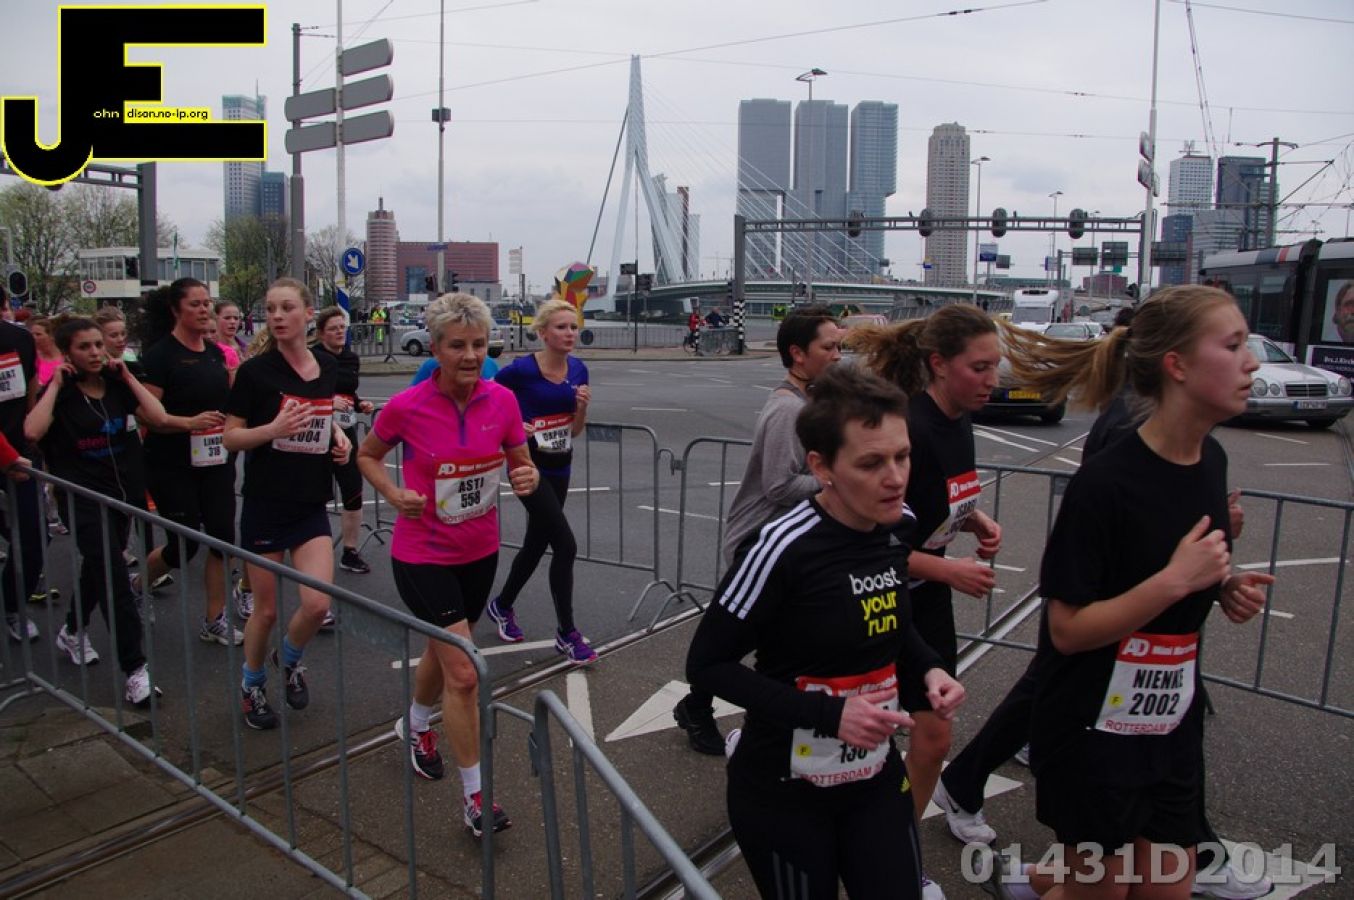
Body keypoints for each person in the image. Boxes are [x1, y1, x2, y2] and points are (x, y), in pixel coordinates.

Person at [988, 285, 1272, 898]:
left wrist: (1224, 583)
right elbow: (1066, 630)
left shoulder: (1213, 461)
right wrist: (1177, 581)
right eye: (1232, 346)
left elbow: (1174, 562)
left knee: (1168, 888)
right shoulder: (1105, 483)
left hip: (1169, 724)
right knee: (1102, 891)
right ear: (1177, 366)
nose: (1251, 362)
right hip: (1091, 731)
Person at [686, 364, 965, 899]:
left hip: (874, 778)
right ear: (822, 467)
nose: (895, 477)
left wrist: (930, 668)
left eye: (902, 456)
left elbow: (891, 619)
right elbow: (706, 665)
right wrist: (830, 714)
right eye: (871, 462)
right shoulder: (781, 547)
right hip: (785, 793)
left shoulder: (897, 524)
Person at [357, 292, 537, 838]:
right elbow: (367, 455)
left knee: (445, 649)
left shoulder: (503, 401)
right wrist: (393, 493)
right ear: (435, 349)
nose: (470, 355)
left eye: (478, 344)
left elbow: (521, 461)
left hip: (479, 552)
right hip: (422, 554)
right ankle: (477, 798)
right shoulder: (407, 405)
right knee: (463, 672)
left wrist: (526, 475)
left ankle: (414, 725)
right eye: (457, 345)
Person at [848, 304, 1004, 888]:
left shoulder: (960, 420)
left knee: (934, 734)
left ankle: (897, 861)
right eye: (979, 368)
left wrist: (972, 519)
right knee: (859, 734)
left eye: (994, 367)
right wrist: (949, 570)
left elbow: (934, 504)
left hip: (928, 597)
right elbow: (872, 544)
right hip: (881, 597)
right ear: (939, 364)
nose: (992, 380)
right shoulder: (911, 428)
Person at [673, 305, 842, 754]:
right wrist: (837, 480)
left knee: (755, 636)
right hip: (758, 541)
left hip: (782, 542)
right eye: (828, 347)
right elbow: (779, 486)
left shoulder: (809, 401)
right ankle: (705, 710)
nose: (837, 355)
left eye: (839, 346)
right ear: (798, 354)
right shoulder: (788, 410)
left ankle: (716, 710)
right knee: (736, 639)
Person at [223, 277, 351, 730]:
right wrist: (272, 431)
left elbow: (321, 414)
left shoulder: (326, 365)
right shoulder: (256, 373)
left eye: (287, 308)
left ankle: (290, 660)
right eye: (271, 308)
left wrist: (337, 437)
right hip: (266, 503)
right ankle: (252, 684)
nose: (277, 316)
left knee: (317, 605)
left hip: (310, 501)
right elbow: (230, 437)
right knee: (267, 610)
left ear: (308, 314)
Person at [24, 317, 169, 705]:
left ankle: (72, 630)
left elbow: (157, 416)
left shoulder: (117, 386)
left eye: (98, 345)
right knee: (115, 577)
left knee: (98, 567)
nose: (94, 353)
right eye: (84, 347)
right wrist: (56, 385)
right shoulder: (62, 393)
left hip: (120, 496)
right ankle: (135, 670)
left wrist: (129, 378)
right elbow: (32, 432)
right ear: (67, 353)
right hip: (82, 500)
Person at [485, 299, 596, 664]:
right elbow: (487, 398)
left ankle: (502, 605)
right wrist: (514, 426)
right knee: (565, 545)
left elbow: (574, 431)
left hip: (561, 466)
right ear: (544, 332)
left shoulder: (579, 370)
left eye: (574, 327)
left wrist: (582, 407)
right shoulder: (521, 370)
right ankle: (567, 633)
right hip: (527, 467)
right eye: (562, 327)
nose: (570, 333)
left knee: (536, 543)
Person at [136, 278, 243, 647]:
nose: (203, 309)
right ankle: (138, 584)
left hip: (215, 461)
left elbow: (230, 403)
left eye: (206, 303)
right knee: (183, 547)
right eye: (195, 304)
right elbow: (146, 415)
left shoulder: (214, 354)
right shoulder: (159, 356)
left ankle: (214, 619)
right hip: (171, 464)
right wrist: (188, 423)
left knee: (222, 539)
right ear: (176, 310)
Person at [312, 306, 374, 576]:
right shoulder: (313, 357)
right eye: (333, 328)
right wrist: (327, 402)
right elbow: (303, 392)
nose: (339, 332)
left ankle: (350, 551)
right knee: (316, 491)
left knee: (353, 489)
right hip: (318, 431)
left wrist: (360, 405)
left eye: (342, 327)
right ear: (321, 333)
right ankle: (310, 547)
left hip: (346, 432)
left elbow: (349, 393)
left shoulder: (350, 358)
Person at [0, 284, 45, 643]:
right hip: (9, 456)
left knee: (34, 535)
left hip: (20, 455)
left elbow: (31, 385)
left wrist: (30, 432)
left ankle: (13, 605)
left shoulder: (20, 339)